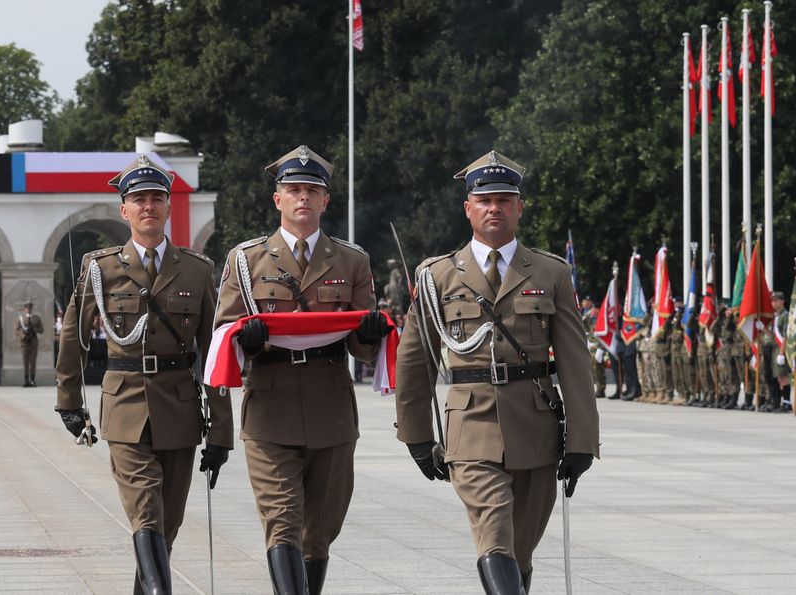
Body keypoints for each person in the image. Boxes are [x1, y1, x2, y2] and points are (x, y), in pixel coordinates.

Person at [395, 151, 599, 594]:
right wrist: (416, 434)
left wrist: (582, 440)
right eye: (484, 199)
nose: (494, 208)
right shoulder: (438, 276)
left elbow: (575, 362)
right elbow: (415, 361)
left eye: (505, 199)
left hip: (536, 424)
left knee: (519, 550)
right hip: (471, 425)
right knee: (494, 536)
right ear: (467, 207)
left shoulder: (550, 272)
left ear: (519, 207)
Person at [55, 155, 233, 595]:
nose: (148, 206)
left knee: (165, 526)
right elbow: (73, 338)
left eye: (156, 198)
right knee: (145, 513)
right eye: (139, 199)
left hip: (180, 407)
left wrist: (222, 431)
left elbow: (214, 354)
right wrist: (69, 403)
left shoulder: (195, 268)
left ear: (169, 207)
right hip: (126, 404)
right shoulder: (101, 268)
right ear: (125, 210)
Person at [214, 146, 385, 595]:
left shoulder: (352, 261)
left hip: (331, 408)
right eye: (294, 190)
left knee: (320, 529)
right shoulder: (246, 261)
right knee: (282, 520)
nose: (303, 198)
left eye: (312, 190)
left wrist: (369, 332)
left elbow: (363, 351)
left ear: (326, 201)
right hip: (270, 406)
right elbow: (221, 335)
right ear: (277, 199)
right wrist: (244, 340)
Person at [18, 301, 44, 387]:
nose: (29, 310)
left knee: (33, 362)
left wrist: (34, 329)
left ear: (32, 309)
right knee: (25, 362)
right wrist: (22, 335)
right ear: (25, 309)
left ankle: (32, 380)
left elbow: (41, 330)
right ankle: (26, 380)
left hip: (33, 342)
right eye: (27, 308)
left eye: (30, 308)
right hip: (24, 342)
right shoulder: (21, 318)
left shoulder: (36, 318)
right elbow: (16, 329)